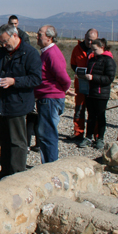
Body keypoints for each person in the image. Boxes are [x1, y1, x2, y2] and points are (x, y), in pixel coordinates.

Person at [0, 24, 42, 179]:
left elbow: (36, 78)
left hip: (17, 103)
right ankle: (5, 170)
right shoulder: (2, 53)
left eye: (6, 41)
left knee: (17, 141)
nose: (4, 45)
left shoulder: (30, 53)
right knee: (4, 139)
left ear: (15, 35)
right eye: (2, 42)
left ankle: (18, 175)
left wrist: (14, 81)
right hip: (2, 101)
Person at [34, 25, 71, 163]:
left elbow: (63, 77)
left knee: (48, 134)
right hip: (47, 97)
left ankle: (50, 166)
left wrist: (63, 89)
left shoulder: (52, 53)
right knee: (45, 134)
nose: (37, 37)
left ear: (49, 38)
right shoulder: (46, 52)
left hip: (50, 97)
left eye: (40, 34)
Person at [78, 39, 116, 149]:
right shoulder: (92, 60)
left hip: (101, 93)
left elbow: (109, 78)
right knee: (90, 116)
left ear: (102, 47)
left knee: (100, 116)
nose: (93, 51)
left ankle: (100, 138)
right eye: (92, 49)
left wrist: (93, 78)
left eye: (95, 49)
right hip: (90, 92)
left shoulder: (108, 61)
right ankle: (88, 137)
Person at [69, 29, 99, 141]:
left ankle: (95, 135)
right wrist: (79, 72)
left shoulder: (99, 50)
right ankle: (78, 133)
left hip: (94, 85)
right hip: (80, 84)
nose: (90, 43)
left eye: (92, 41)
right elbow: (73, 64)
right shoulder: (77, 49)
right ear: (85, 37)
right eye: (88, 39)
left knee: (94, 111)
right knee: (79, 109)